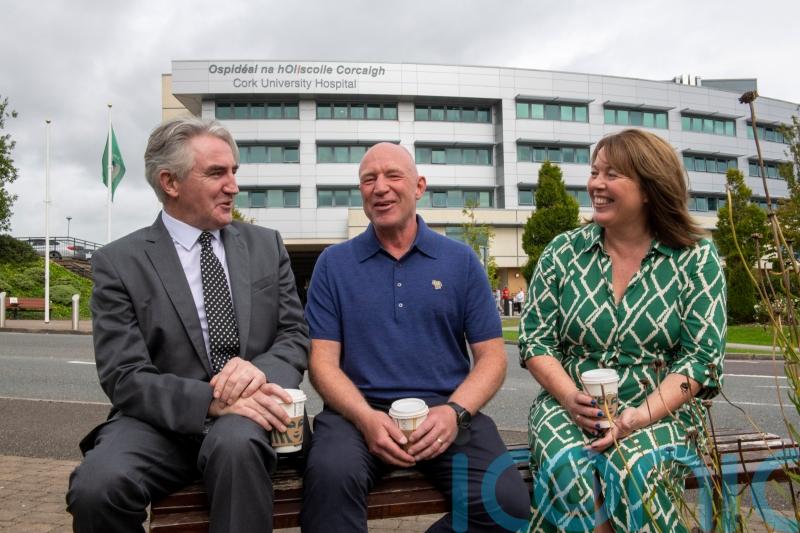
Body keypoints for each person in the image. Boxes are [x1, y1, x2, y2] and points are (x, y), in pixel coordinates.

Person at [66, 117, 310, 533]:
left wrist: (258, 371)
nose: (233, 185)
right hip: (157, 425)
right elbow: (124, 376)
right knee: (96, 488)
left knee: (237, 446)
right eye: (217, 173)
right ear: (170, 182)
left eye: (233, 171)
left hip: (249, 416)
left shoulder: (266, 245)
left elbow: (294, 335)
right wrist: (209, 401)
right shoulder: (120, 263)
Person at [301, 142, 529, 532]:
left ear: (419, 186)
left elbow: (493, 358)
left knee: (507, 507)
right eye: (368, 179)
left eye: (393, 175)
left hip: (445, 413)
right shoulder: (333, 265)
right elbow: (322, 363)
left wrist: (455, 412)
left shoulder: (460, 262)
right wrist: (365, 417)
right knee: (328, 484)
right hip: (357, 416)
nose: (380, 187)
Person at [519, 129, 726, 532]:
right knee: (571, 469)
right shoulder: (563, 252)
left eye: (612, 174)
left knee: (634, 469)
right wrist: (568, 397)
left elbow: (701, 360)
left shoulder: (696, 259)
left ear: (649, 188)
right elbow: (536, 340)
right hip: (571, 403)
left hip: (663, 407)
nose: (596, 183)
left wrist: (637, 418)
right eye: (595, 171)